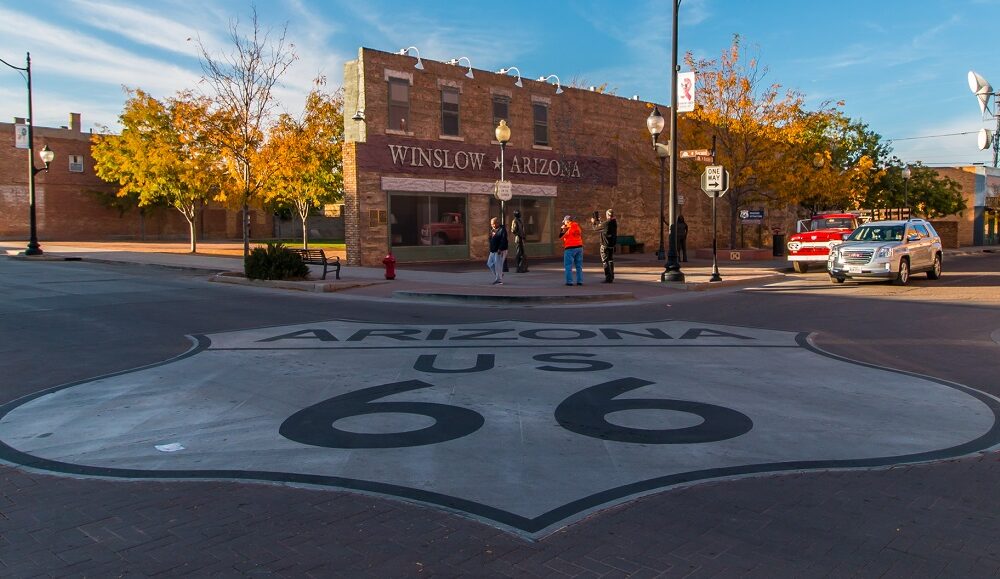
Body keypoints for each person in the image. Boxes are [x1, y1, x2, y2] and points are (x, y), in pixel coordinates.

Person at [591, 209, 618, 283]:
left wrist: (593, 223)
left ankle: (608, 278)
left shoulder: (607, 223)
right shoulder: (614, 222)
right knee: (610, 260)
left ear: (607, 215)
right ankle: (611, 276)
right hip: (611, 245)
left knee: (605, 261)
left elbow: (595, 228)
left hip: (605, 245)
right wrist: (600, 222)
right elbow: (604, 228)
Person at [559, 214, 584, 286]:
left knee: (568, 266)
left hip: (570, 248)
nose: (564, 223)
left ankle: (569, 282)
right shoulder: (577, 226)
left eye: (564, 222)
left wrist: (562, 229)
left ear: (567, 221)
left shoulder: (567, 228)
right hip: (579, 247)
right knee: (579, 266)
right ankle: (580, 281)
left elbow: (561, 237)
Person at [488, 217, 508, 285]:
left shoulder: (502, 230)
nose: (492, 225)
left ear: (497, 223)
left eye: (493, 224)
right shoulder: (492, 230)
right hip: (493, 250)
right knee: (489, 263)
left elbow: (503, 240)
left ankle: (499, 280)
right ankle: (500, 274)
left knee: (498, 265)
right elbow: (491, 239)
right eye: (491, 224)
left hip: (499, 250)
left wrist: (500, 248)